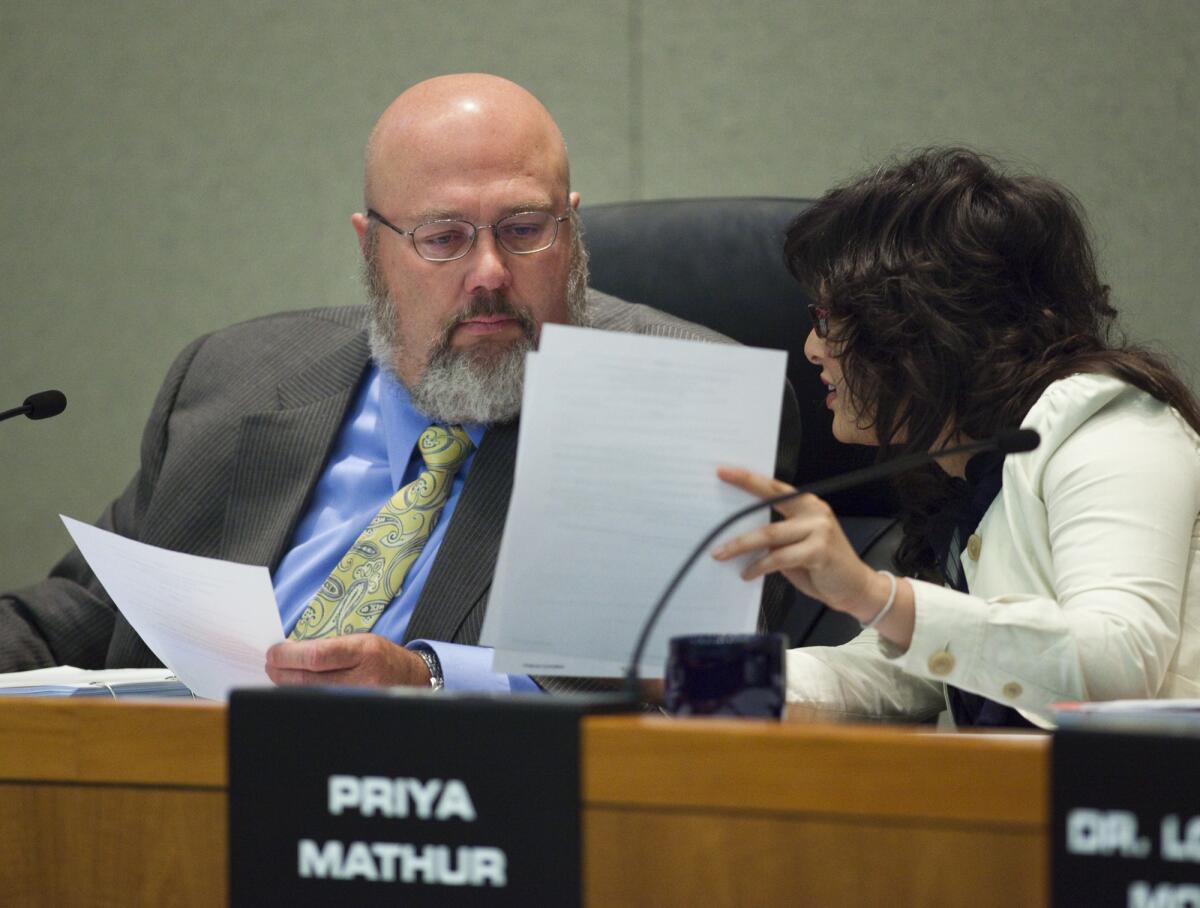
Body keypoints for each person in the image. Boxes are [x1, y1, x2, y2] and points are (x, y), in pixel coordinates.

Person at [0, 74, 797, 692]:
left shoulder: (675, 399)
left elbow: (669, 682)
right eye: (442, 237)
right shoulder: (234, 378)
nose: (489, 273)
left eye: (524, 230)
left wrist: (430, 681)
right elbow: (88, 618)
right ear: (373, 246)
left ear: (571, 229)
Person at [714, 147, 1200, 727]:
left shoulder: (1111, 428)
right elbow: (914, 667)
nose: (812, 348)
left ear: (918, 325)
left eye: (825, 318)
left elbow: (1115, 669)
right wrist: (709, 680)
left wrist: (873, 595)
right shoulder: (961, 466)